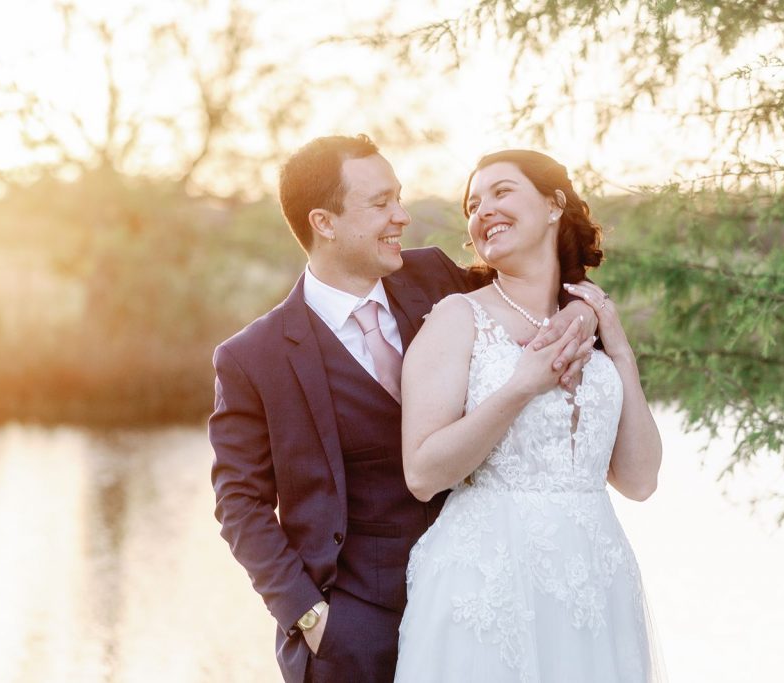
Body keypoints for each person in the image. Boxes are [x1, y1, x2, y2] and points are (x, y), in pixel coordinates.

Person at [209, 135, 597, 683]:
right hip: (357, 631)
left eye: (399, 197)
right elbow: (239, 503)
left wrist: (584, 313)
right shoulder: (254, 358)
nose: (402, 216)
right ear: (324, 223)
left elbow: (534, 294)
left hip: (482, 605)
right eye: (381, 203)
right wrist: (308, 615)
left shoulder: (434, 277)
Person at [395, 149, 663, 682]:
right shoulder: (458, 317)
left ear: (553, 205)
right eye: (473, 205)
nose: (484, 210)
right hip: (490, 581)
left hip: (596, 579)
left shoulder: (590, 319)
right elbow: (422, 474)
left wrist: (620, 350)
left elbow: (639, 481)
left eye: (502, 191)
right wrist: (521, 386)